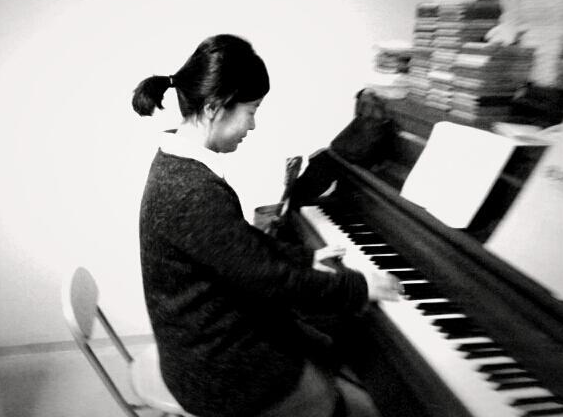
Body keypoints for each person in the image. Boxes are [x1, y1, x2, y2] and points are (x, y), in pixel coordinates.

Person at [133, 34, 401, 417]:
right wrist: (358, 287)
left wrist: (305, 258)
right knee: (333, 397)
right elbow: (267, 280)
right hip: (212, 372)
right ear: (214, 107)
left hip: (197, 343)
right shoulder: (192, 190)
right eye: (251, 110)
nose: (254, 124)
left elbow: (237, 244)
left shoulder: (177, 164)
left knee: (322, 347)